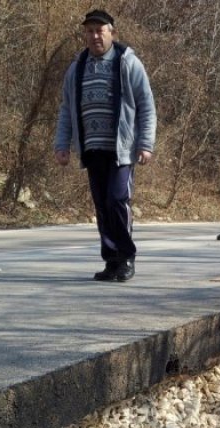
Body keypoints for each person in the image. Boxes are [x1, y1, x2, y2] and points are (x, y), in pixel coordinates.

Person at [54, 9, 156, 282]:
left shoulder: (127, 63)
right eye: (90, 31)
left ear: (112, 33)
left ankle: (126, 256)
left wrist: (145, 143)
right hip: (92, 148)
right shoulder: (77, 68)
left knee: (116, 199)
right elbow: (66, 109)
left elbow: (146, 105)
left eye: (100, 30)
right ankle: (111, 261)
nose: (95, 36)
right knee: (101, 204)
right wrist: (62, 144)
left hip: (122, 149)